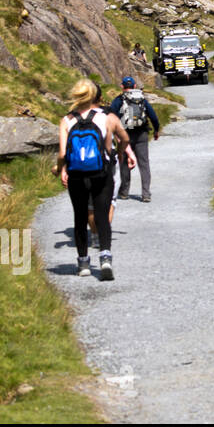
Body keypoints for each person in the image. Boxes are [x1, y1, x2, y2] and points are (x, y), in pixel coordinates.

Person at [58, 79, 136, 280]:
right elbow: (125, 138)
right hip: (101, 173)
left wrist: (60, 169)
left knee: (80, 216)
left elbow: (62, 154)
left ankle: (83, 263)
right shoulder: (108, 117)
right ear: (95, 95)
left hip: (76, 175)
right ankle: (105, 259)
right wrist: (120, 153)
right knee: (102, 215)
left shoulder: (67, 120)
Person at [110, 75, 160, 203]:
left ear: (122, 86)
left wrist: (115, 133)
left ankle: (124, 192)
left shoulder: (119, 100)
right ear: (134, 86)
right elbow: (153, 116)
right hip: (142, 134)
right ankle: (146, 194)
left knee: (124, 162)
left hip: (124, 135)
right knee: (144, 164)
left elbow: (111, 115)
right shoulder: (142, 99)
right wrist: (156, 130)